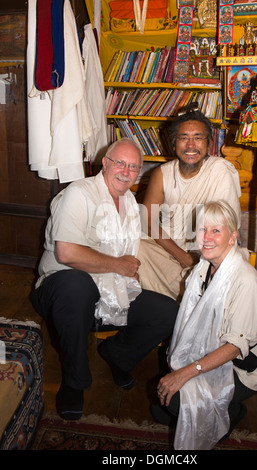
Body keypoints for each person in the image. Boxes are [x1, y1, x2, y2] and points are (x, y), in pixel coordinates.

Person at [31, 137, 178, 421]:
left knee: (168, 313)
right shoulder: (79, 193)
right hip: (61, 291)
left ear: (138, 174)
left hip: (110, 291)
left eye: (133, 166)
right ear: (105, 163)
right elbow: (67, 252)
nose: (125, 170)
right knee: (76, 285)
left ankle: (118, 355)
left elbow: (132, 254)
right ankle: (74, 382)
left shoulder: (130, 204)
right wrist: (119, 265)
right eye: (120, 162)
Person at [152, 200, 257, 450]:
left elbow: (236, 347)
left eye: (216, 230)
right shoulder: (203, 268)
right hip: (206, 352)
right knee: (162, 403)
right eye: (202, 229)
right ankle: (216, 405)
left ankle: (232, 411)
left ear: (232, 237)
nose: (206, 237)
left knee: (174, 400)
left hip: (239, 369)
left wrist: (184, 373)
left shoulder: (245, 281)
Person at [138, 108, 241, 302]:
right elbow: (147, 221)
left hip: (208, 253)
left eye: (198, 138)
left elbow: (224, 228)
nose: (191, 145)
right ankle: (177, 303)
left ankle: (188, 301)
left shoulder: (219, 171)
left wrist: (197, 258)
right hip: (171, 250)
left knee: (221, 266)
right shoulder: (162, 174)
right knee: (135, 246)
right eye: (183, 138)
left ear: (209, 143)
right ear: (174, 143)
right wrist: (182, 256)